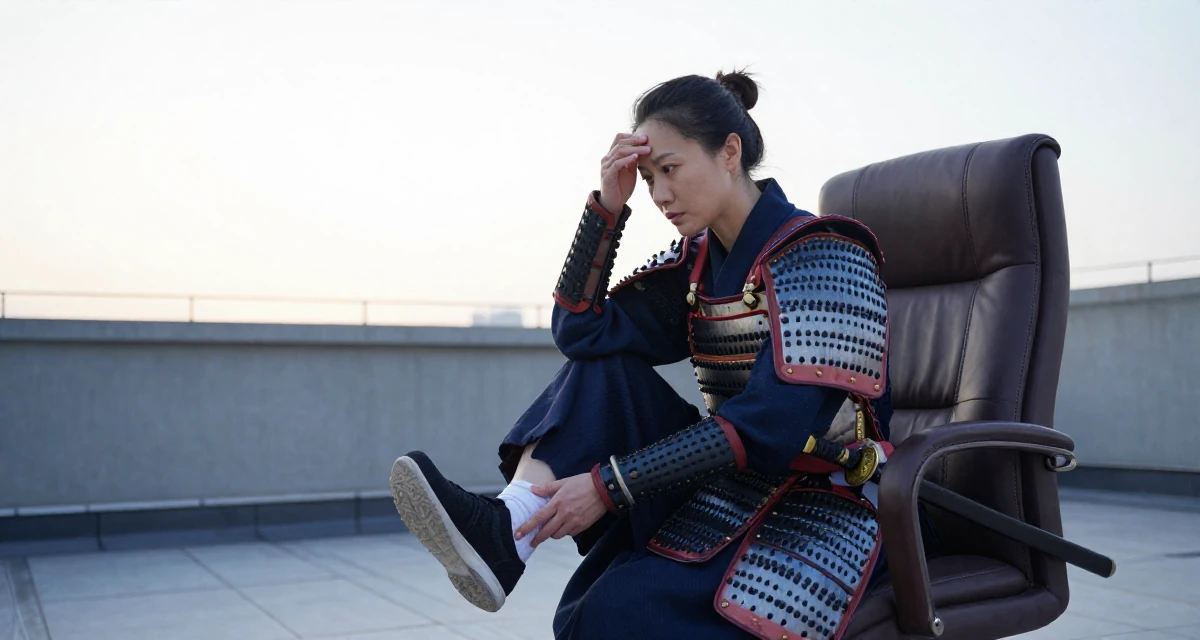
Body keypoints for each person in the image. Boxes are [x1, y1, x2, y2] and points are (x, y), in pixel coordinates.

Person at [389, 70, 904, 640]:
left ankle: (519, 530)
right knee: (605, 375)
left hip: (825, 498)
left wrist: (610, 486)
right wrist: (607, 207)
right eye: (648, 175)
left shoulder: (826, 253)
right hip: (734, 481)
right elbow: (584, 335)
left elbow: (772, 427)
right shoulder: (698, 262)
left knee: (616, 611)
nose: (659, 195)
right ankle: (511, 526)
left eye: (670, 170)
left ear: (729, 152)